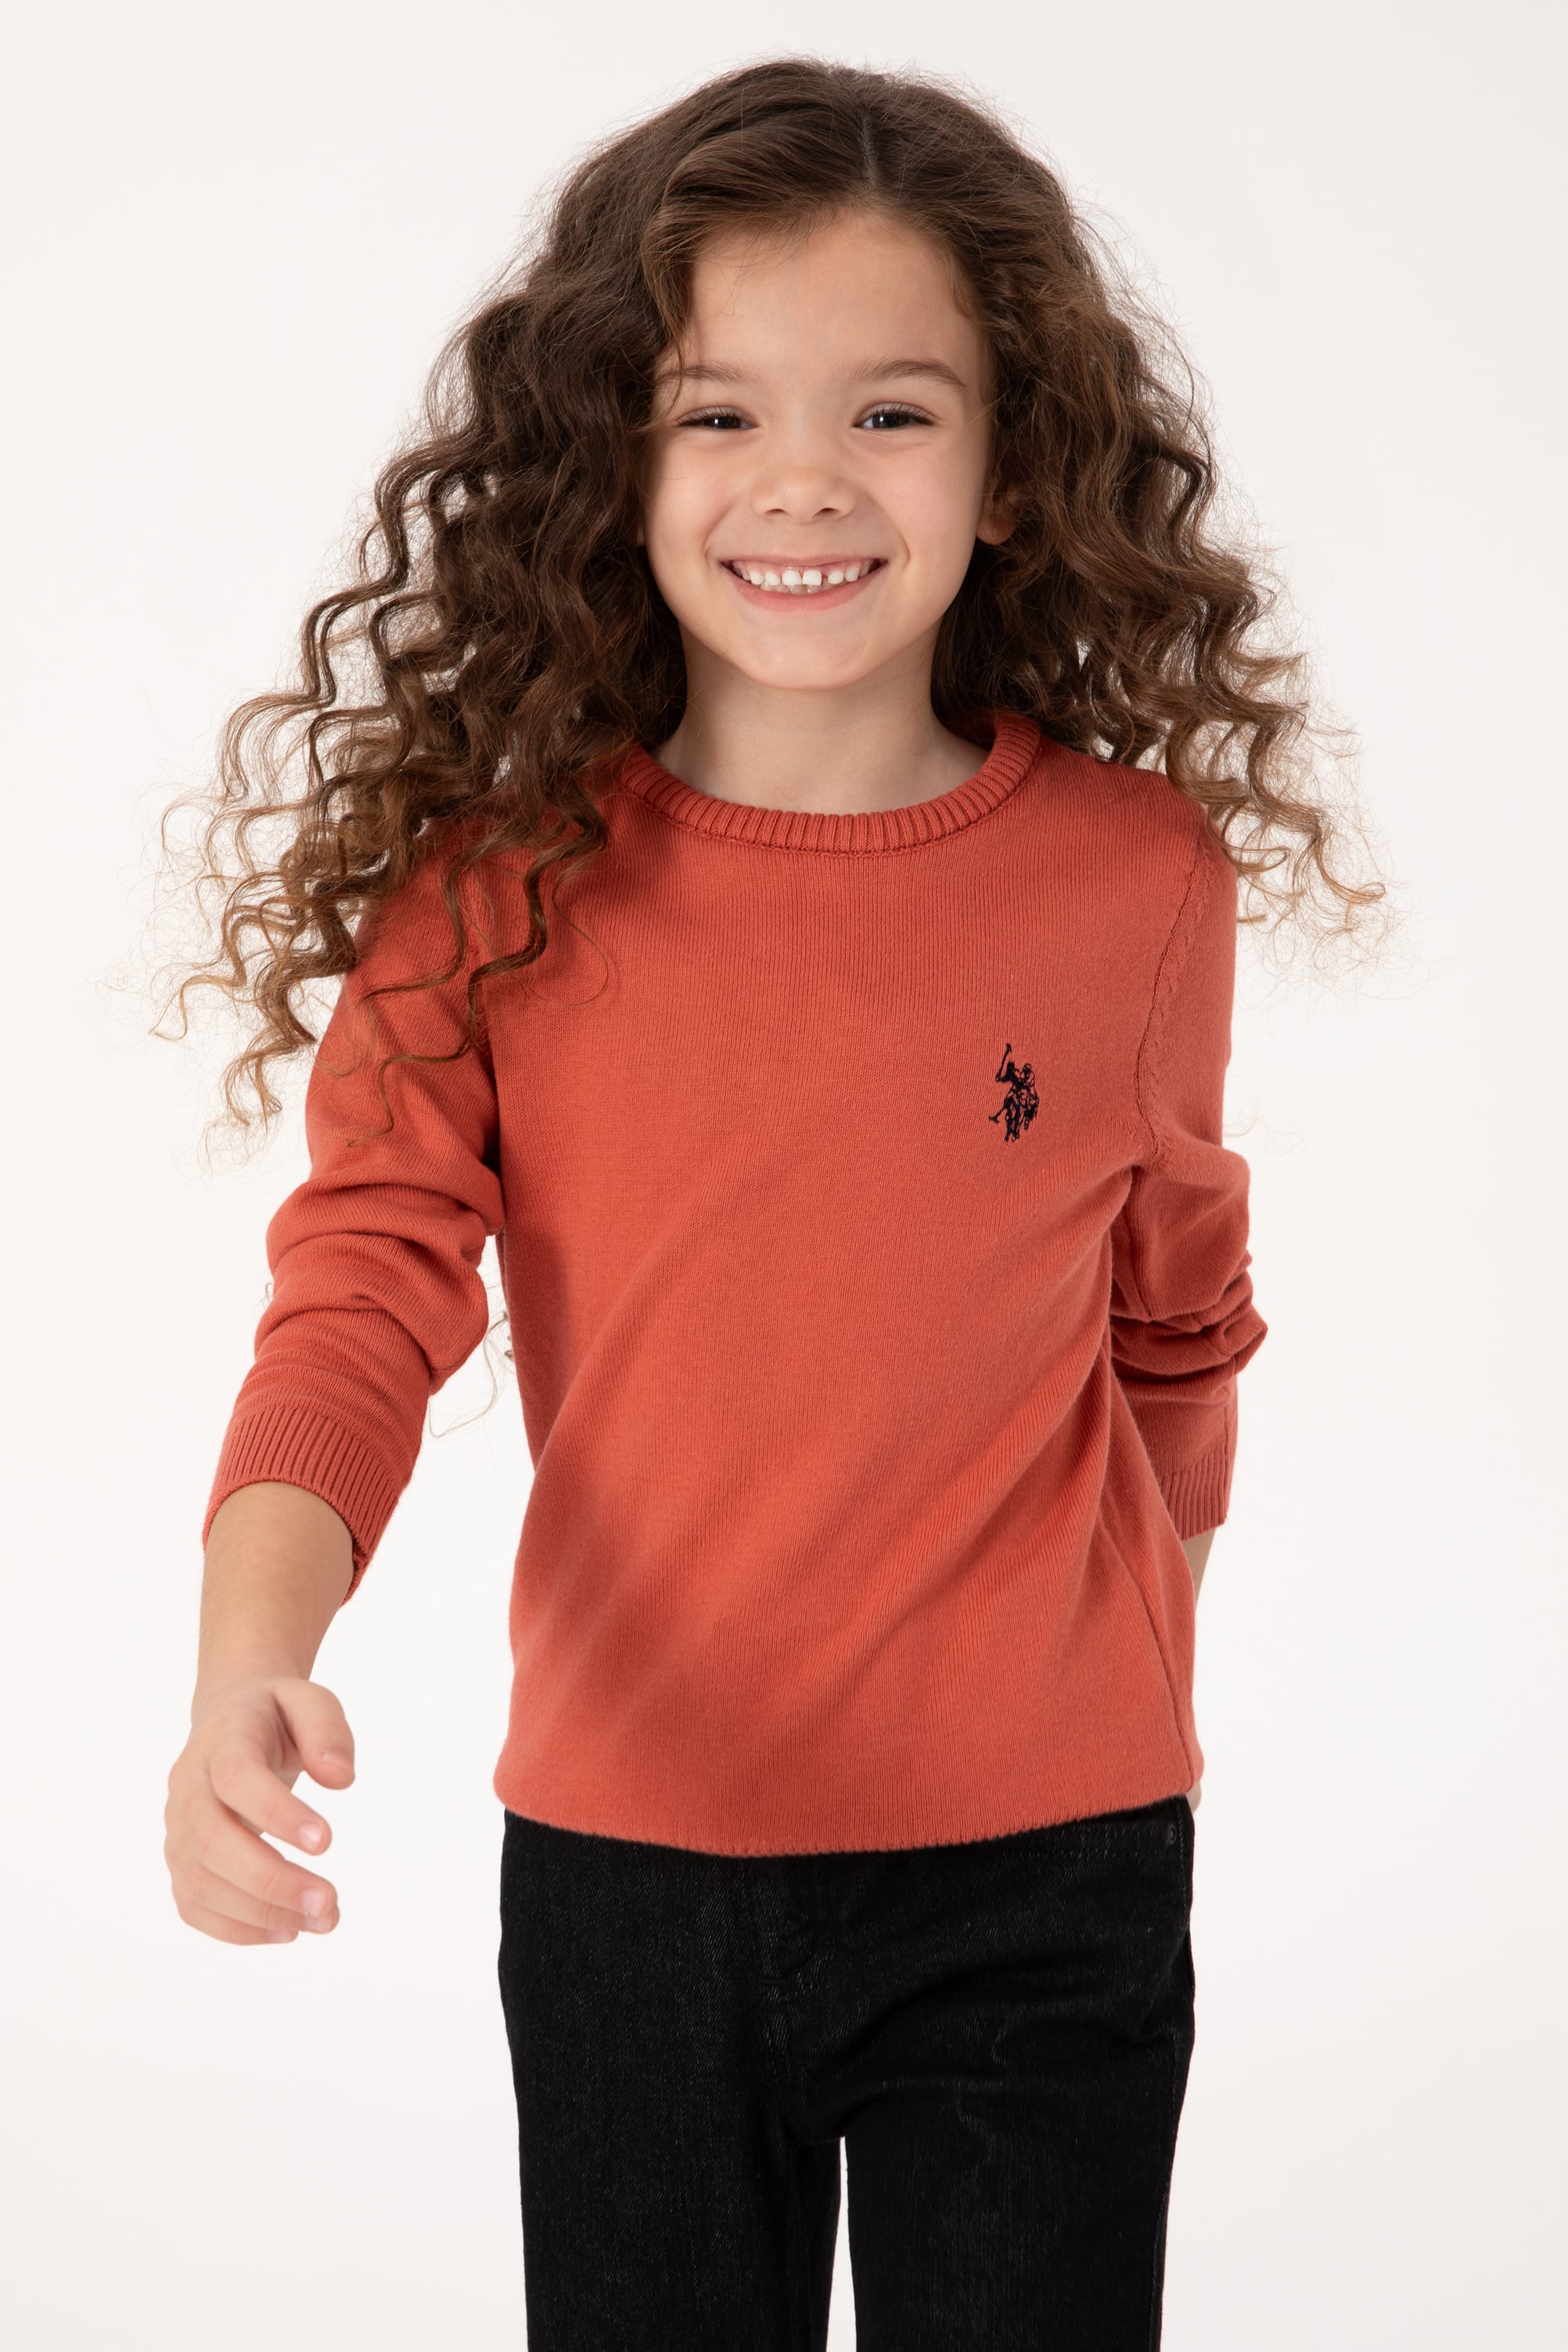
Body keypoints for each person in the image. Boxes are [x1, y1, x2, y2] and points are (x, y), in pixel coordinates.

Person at [160, 56, 1382, 2350]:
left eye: (891, 413)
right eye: (715, 413)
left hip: (1051, 1884)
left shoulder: (1136, 885)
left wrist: (1129, 1682)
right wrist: (248, 1667)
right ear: (606, 462)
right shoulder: (492, 896)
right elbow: (356, 1310)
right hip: (632, 1884)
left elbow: (1176, 1328)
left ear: (1013, 467)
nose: (803, 479)